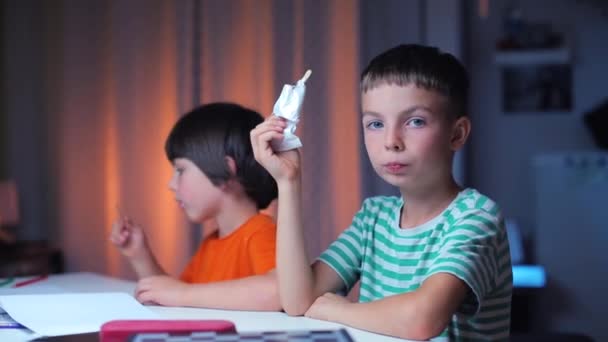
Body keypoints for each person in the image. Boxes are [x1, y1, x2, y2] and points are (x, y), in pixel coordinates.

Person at [250, 44, 512, 340]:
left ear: (457, 134)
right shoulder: (373, 217)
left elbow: (421, 320)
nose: (391, 141)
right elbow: (298, 301)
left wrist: (333, 309)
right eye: (375, 123)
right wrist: (288, 182)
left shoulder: (476, 216)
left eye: (415, 121)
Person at [110, 102, 280, 310]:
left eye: (180, 170)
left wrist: (183, 294)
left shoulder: (261, 232)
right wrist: (140, 254)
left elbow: (279, 291)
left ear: (226, 169)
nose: (171, 185)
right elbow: (173, 297)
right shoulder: (211, 244)